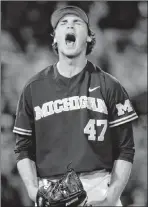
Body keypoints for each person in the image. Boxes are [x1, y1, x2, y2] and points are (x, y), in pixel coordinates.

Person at [13, 5, 138, 206]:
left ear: (89, 37)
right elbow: (23, 149)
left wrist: (112, 196)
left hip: (97, 186)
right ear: (55, 38)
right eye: (63, 23)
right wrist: (32, 190)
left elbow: (126, 149)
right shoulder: (33, 88)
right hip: (51, 190)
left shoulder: (110, 86)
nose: (70, 25)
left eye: (77, 23)